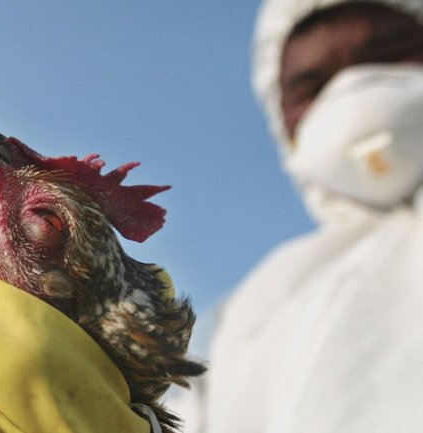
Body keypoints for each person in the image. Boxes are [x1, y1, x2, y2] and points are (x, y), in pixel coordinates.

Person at [176, 1, 423, 432]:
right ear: (283, 121)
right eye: (313, 87)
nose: (354, 91)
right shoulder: (242, 317)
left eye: (388, 54)